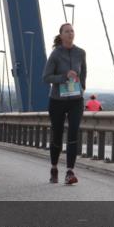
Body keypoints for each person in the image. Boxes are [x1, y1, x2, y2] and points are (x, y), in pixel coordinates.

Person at [42, 23, 86, 184]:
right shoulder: (55, 54)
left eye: (72, 31)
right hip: (57, 101)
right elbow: (46, 77)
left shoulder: (80, 53)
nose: (70, 33)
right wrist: (64, 77)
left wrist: (80, 88)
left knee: (73, 133)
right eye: (67, 31)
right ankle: (54, 168)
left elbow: (84, 75)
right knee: (57, 136)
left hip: (76, 101)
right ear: (61, 35)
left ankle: (70, 172)